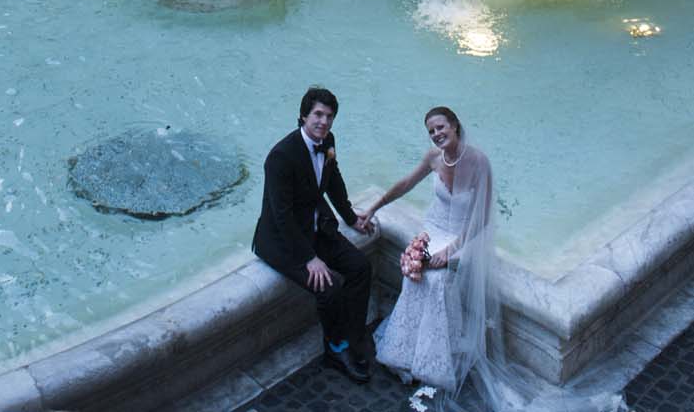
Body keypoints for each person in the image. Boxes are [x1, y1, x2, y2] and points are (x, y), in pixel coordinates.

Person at [359, 107, 628, 412]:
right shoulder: (433, 157)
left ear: (455, 126)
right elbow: (406, 183)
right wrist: (374, 207)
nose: (436, 134)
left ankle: (435, 359)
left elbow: (482, 219)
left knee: (436, 281)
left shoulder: (478, 162)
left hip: (464, 237)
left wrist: (450, 252)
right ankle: (407, 351)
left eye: (440, 127)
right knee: (415, 274)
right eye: (431, 130)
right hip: (434, 230)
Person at [252, 86, 373, 385]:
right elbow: (280, 216)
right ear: (303, 115)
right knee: (328, 286)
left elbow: (334, 181)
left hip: (316, 226)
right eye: (318, 114)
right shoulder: (280, 156)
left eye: (329, 116)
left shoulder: (327, 141)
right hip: (282, 240)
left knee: (360, 267)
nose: (324, 122)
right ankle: (335, 348)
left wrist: (350, 217)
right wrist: (309, 258)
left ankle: (355, 336)